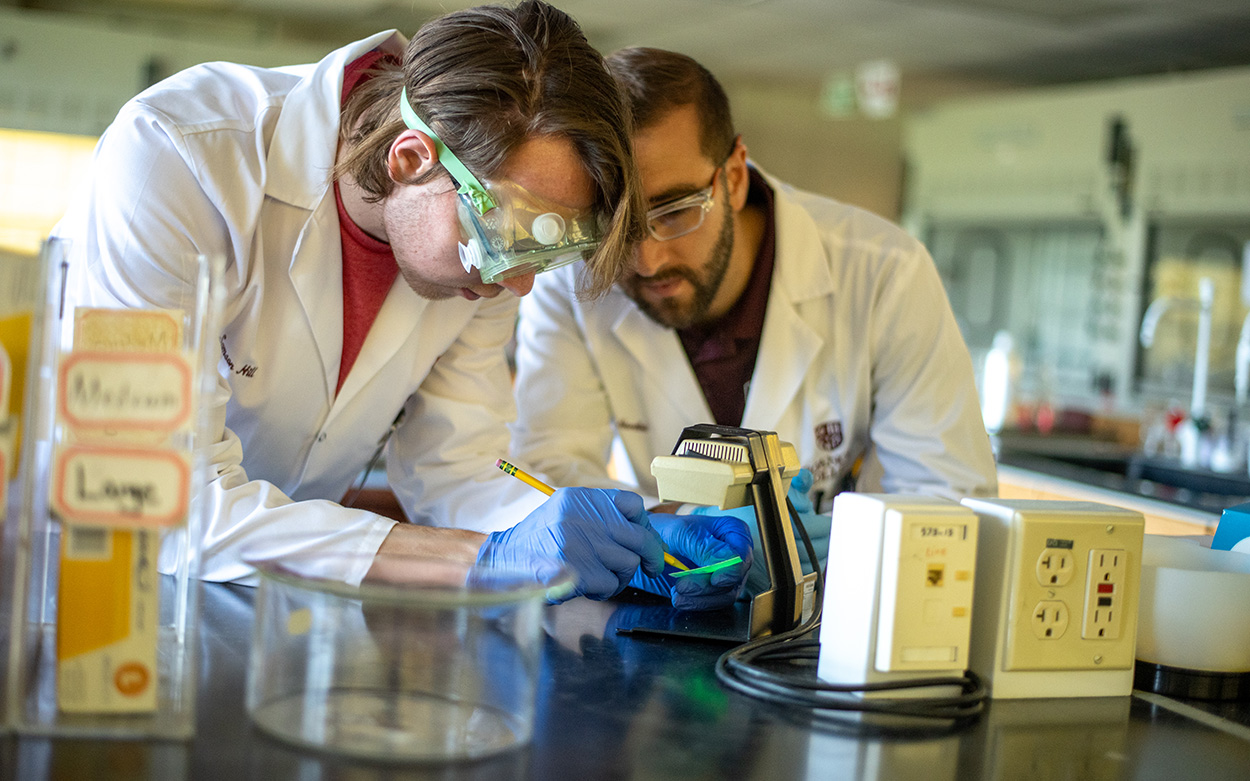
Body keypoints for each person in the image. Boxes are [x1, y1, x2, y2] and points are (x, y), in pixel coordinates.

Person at [52, 3, 751, 609]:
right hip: (90, 590)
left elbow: (458, 469)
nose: (518, 287)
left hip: (277, 608)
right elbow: (152, 501)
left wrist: (635, 532)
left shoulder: (477, 252)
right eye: (509, 244)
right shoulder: (180, 159)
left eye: (546, 255)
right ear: (413, 158)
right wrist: (475, 560)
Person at [510, 47, 997, 589]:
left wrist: (836, 548)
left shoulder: (884, 272)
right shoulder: (570, 285)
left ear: (735, 176)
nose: (647, 260)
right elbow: (549, 474)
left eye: (674, 211)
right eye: (616, 224)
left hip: (835, 617)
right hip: (664, 616)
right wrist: (665, 533)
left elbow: (948, 501)